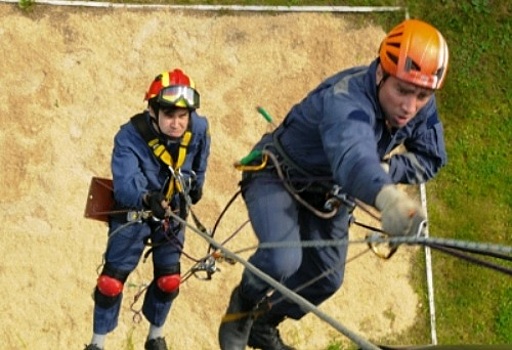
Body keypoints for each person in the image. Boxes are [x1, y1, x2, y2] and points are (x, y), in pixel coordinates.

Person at [218, 18, 449, 350]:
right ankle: (242, 306)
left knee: (326, 279)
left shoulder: (419, 106)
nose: (409, 107)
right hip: (279, 176)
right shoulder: (347, 100)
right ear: (381, 73)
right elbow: (353, 159)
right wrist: (389, 199)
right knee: (284, 259)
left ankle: (264, 323)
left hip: (332, 195)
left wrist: (388, 167)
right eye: (402, 90)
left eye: (423, 96)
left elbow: (431, 157)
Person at [85, 68, 211, 350]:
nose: (177, 124)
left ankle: (156, 337)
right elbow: (125, 184)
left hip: (173, 212)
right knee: (110, 283)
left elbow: (201, 158)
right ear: (153, 111)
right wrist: (147, 198)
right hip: (136, 211)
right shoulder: (129, 137)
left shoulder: (198, 129)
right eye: (169, 116)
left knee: (169, 280)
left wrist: (197, 184)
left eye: (183, 116)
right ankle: (97, 343)